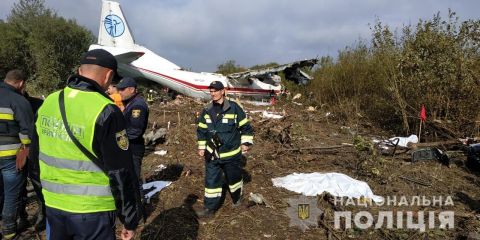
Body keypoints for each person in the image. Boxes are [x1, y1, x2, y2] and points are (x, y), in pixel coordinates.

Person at [35, 49, 141, 240]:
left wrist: (43, 199)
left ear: (79, 70)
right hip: (93, 211)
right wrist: (129, 219)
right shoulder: (106, 109)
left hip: (54, 206)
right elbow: (121, 171)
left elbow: (35, 156)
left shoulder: (49, 101)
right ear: (109, 75)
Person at [196, 81, 254, 217]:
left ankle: (237, 199)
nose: (213, 94)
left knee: (234, 179)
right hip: (212, 154)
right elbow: (201, 130)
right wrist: (201, 147)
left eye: (216, 91)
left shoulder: (234, 108)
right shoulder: (206, 110)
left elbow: (246, 127)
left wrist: (246, 143)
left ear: (223, 91)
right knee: (211, 181)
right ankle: (210, 209)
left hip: (231, 154)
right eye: (211, 91)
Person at [0, 69, 33, 239]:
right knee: (11, 195)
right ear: (21, 83)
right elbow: (27, 131)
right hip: (11, 157)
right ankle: (9, 231)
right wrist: (26, 148)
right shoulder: (18, 100)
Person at [17, 89, 46, 232]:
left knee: (37, 186)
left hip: (34, 152)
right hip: (24, 153)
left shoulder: (38, 104)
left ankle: (40, 216)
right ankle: (25, 216)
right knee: (27, 187)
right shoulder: (38, 103)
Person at [116, 77, 149, 184]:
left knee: (133, 180)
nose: (119, 92)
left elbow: (135, 130)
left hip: (133, 148)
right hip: (128, 147)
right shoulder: (131, 103)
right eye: (118, 89)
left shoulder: (137, 105)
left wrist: (118, 140)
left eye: (122, 89)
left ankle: (138, 200)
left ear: (131, 89)